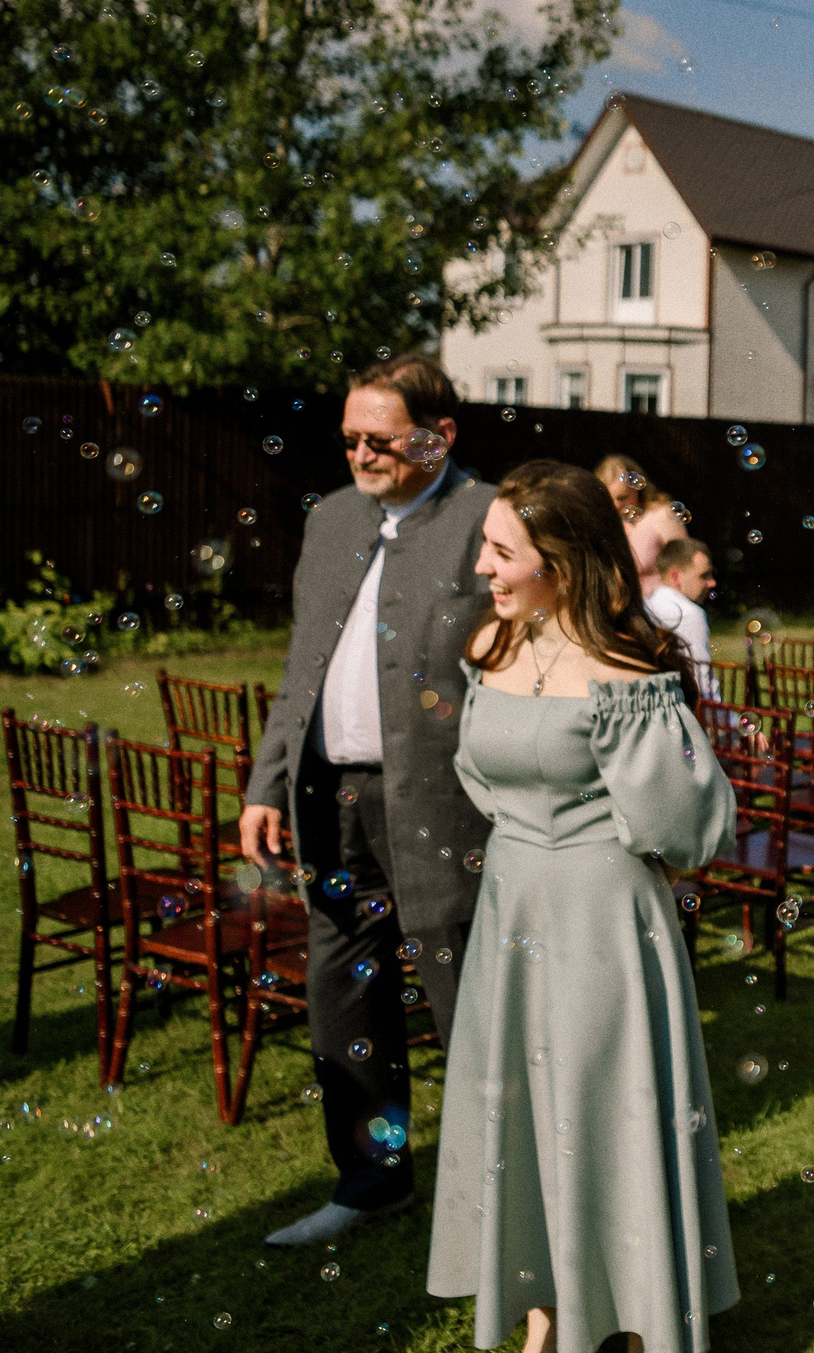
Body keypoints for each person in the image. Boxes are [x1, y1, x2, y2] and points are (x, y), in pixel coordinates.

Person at [426, 461, 738, 1353]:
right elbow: (480, 773)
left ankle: (634, 1319)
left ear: (559, 562)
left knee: (603, 1109)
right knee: (522, 1110)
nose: (482, 567)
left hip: (602, 915)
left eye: (501, 551)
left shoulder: (624, 671)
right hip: (512, 903)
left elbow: (690, 823)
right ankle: (545, 1314)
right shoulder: (492, 645)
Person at [241, 354, 494, 1247]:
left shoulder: (488, 519)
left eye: (379, 439)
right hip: (331, 801)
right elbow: (302, 665)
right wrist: (267, 782)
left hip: (443, 809)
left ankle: (497, 1198)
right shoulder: (332, 518)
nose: (359, 454)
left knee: (467, 1001)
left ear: (439, 435)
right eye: (348, 438)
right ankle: (370, 1182)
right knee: (343, 997)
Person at [594, 454, 685, 600]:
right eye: (609, 499)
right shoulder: (608, 526)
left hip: (661, 604)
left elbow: (684, 564)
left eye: (622, 497)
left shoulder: (660, 516)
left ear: (638, 490)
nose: (616, 505)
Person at [645, 536, 718, 701]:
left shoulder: (646, 605)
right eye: (704, 576)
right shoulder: (690, 613)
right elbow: (702, 683)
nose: (712, 583)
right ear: (675, 576)